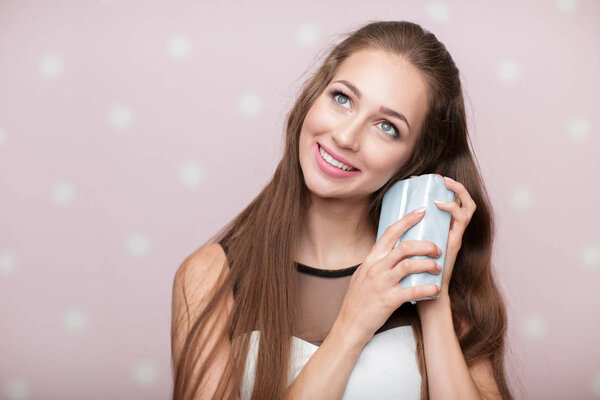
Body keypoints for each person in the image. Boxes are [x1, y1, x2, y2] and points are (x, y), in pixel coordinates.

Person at [171, 20, 514, 400]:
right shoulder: (209, 276)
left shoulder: (442, 276)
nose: (345, 137)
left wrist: (431, 298)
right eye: (342, 99)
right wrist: (352, 325)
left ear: (416, 160)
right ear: (313, 98)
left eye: (386, 126)